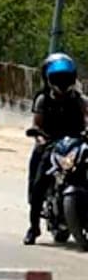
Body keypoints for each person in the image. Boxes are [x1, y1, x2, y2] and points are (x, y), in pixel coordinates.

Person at [25, 53, 88, 245]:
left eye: (66, 78)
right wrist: (40, 137)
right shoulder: (43, 100)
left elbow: (87, 119)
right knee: (38, 183)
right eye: (57, 78)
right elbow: (37, 123)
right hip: (51, 144)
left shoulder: (79, 100)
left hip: (76, 143)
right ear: (48, 78)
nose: (62, 82)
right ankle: (33, 227)